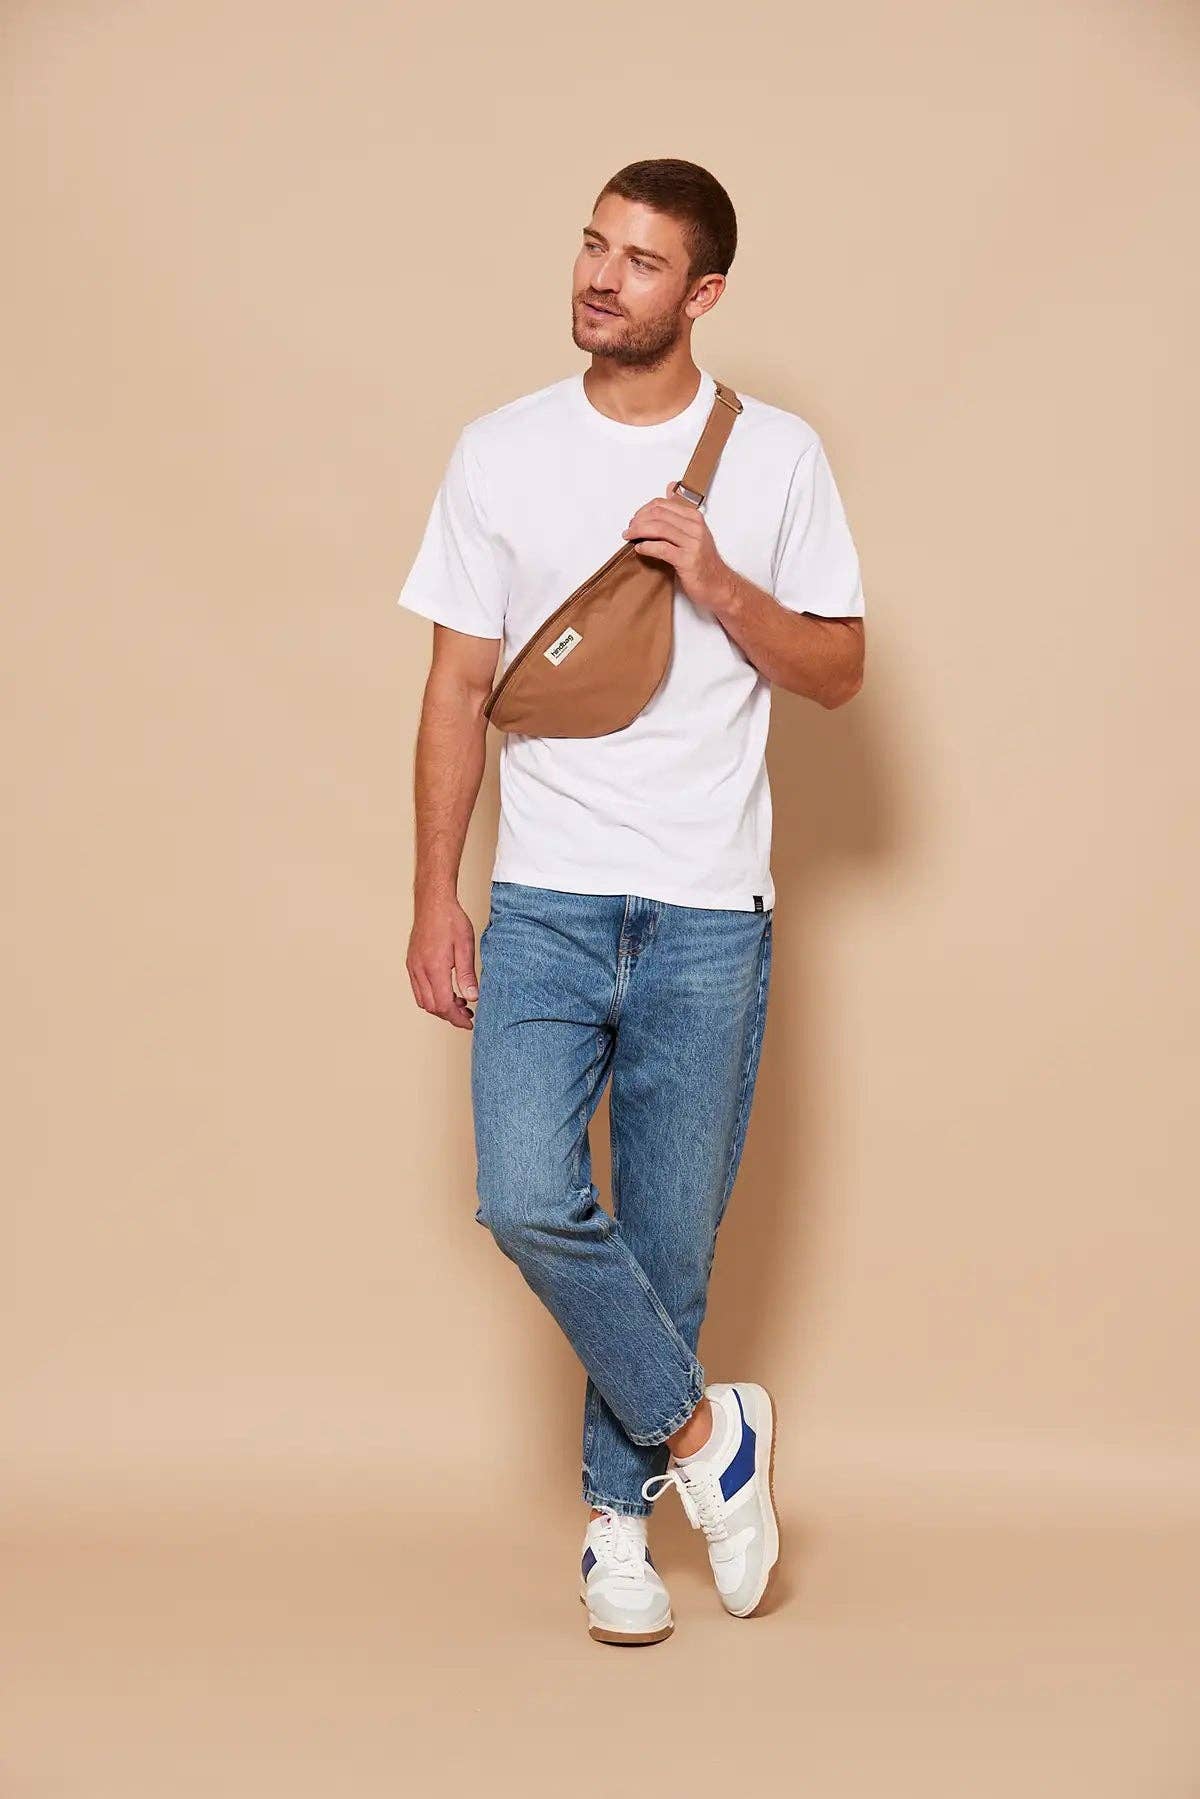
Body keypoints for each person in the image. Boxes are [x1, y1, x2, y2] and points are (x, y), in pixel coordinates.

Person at [397, 158, 866, 1645]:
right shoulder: (500, 450)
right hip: (542, 901)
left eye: (642, 260)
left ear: (703, 293)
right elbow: (456, 688)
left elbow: (839, 669)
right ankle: (712, 1438)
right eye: (594, 245)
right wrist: (434, 896)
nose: (603, 277)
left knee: (668, 1246)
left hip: (712, 912)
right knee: (525, 1197)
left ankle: (617, 1527)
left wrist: (719, 583)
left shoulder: (776, 458)